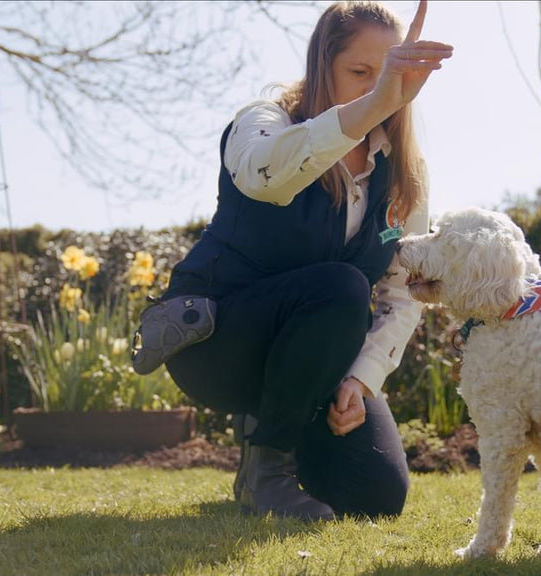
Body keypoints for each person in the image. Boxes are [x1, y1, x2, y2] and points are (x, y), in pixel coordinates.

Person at [160, 0, 452, 521]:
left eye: (391, 74)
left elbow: (400, 291)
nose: (377, 87)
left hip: (313, 357)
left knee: (377, 496)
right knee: (339, 286)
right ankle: (265, 470)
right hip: (217, 342)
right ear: (323, 65)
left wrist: (358, 380)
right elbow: (261, 176)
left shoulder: (407, 171)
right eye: (361, 72)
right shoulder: (264, 121)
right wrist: (368, 110)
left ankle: (280, 435)